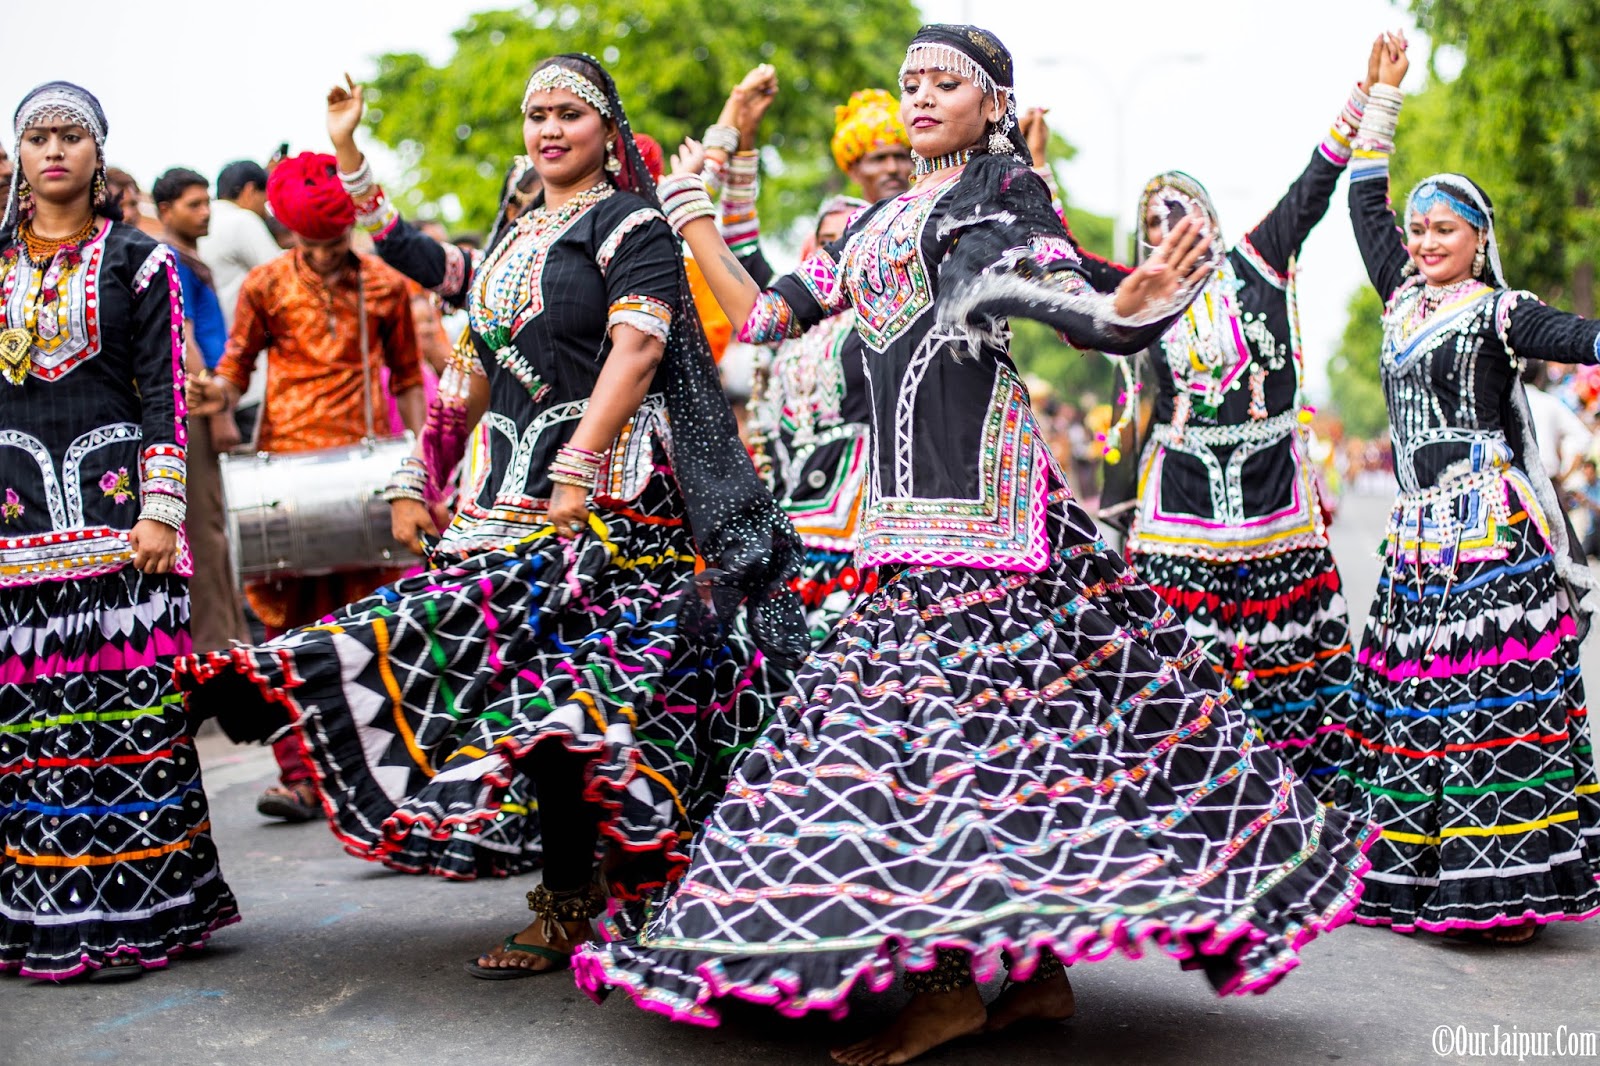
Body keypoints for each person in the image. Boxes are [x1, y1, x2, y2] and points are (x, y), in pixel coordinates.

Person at [578, 25, 1375, 1066]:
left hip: (985, 520)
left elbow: (1020, 282)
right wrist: (697, 225)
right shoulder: (869, 224)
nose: (918, 96)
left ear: (993, 102)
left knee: (943, 750)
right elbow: (767, 318)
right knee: (992, 748)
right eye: (908, 81)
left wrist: (1115, 309)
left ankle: (952, 986)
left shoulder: (999, 197)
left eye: (943, 82)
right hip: (898, 519)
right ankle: (1033, 973)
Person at [179, 55, 805, 976]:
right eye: (535, 114)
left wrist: (580, 465)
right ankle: (572, 886)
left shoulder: (629, 223)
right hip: (502, 507)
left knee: (573, 708)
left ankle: (587, 897)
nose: (548, 129)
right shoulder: (516, 237)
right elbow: (468, 373)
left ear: (603, 128)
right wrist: (416, 474)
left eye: (568, 114)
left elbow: (636, 351)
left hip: (611, 512)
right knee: (513, 697)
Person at [1054, 46, 1385, 802]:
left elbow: (1316, 182)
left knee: (1287, 652)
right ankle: (1194, 786)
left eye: (1178, 209)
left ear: (1208, 216)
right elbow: (1060, 262)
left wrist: (1368, 96)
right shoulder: (1139, 290)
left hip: (1273, 496)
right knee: (1180, 649)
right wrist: (1037, 167)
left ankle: (1293, 789)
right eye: (1149, 219)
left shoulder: (1258, 263)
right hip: (1182, 499)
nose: (1163, 223)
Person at [1341, 34, 1600, 943]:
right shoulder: (1398, 296)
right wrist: (1383, 98)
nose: (1423, 242)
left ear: (1478, 238)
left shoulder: (1501, 311)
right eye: (1418, 231)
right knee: (1417, 704)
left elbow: (1578, 335)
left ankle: (1510, 888)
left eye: (1443, 229)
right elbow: (1361, 203)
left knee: (1491, 708)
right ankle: (1418, 880)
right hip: (1418, 541)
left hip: (1491, 536)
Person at [0, 81, 237, 982]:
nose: (54, 149)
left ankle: (141, 914)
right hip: (17, 535)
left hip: (120, 536)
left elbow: (164, 392)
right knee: (31, 738)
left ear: (99, 155)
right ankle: (42, 918)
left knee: (123, 730)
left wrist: (161, 510)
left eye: (71, 135)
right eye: (36, 137)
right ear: (19, 157)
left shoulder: (140, 262)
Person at [188, 151, 426, 823]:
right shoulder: (263, 284)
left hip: (368, 477)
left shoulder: (383, 283)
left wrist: (420, 469)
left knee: (374, 631)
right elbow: (234, 371)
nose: (322, 257)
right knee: (287, 633)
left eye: (332, 243)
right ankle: (300, 778)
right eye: (308, 244)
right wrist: (214, 392)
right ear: (288, 233)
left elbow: (409, 379)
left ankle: (384, 777)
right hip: (284, 481)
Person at [704, 66, 909, 638]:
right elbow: (742, 250)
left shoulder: (898, 298)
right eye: (830, 245)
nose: (889, 167)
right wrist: (743, 142)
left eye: (900, 154)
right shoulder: (794, 316)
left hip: (869, 510)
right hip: (794, 500)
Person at [152, 167, 249, 653]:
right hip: (199, 406)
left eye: (207, 201)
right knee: (205, 531)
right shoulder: (170, 258)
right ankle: (216, 651)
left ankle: (227, 643)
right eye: (193, 204)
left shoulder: (190, 258)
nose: (205, 211)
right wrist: (218, 412)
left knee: (214, 527)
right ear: (165, 211)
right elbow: (184, 336)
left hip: (208, 399)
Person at [199, 160, 281, 327]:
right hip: (240, 337)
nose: (265, 212)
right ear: (250, 190)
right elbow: (279, 274)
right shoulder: (242, 219)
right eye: (264, 200)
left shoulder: (203, 219)